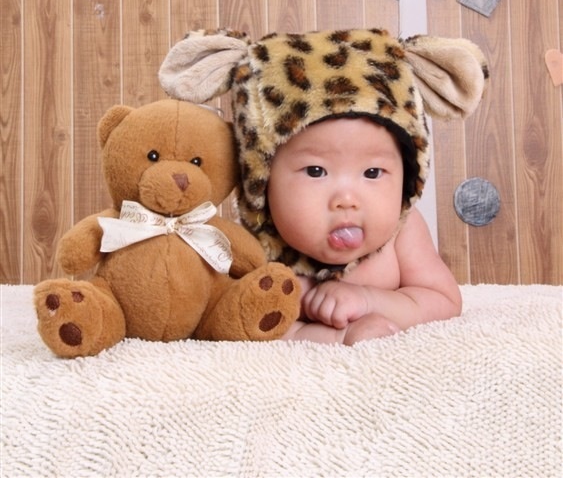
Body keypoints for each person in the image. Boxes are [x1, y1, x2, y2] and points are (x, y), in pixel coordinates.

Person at [159, 27, 489, 345]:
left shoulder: (403, 230)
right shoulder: (254, 245)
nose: (346, 199)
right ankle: (331, 339)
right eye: (316, 171)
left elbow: (444, 300)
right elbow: (225, 313)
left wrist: (368, 300)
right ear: (261, 182)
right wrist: (298, 302)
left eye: (372, 172)